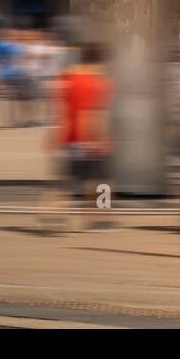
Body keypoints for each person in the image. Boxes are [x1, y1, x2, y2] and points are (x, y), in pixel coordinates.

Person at [41, 43, 111, 231]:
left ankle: (51, 213)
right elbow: (87, 113)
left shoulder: (65, 78)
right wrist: (96, 141)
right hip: (83, 140)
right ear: (99, 62)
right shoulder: (94, 82)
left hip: (65, 138)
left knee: (66, 182)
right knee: (99, 181)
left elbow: (59, 109)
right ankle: (99, 218)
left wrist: (54, 136)